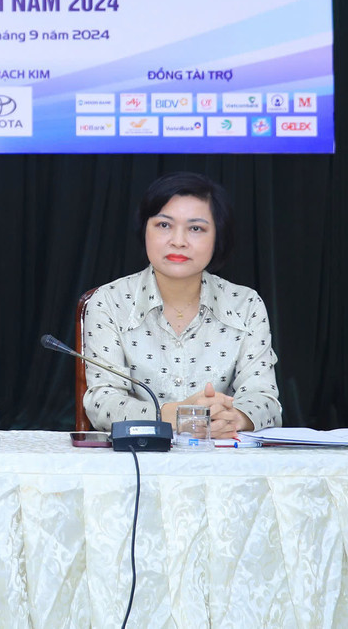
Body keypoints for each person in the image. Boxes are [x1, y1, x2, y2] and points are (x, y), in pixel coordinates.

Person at [82, 171, 281, 438]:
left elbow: (265, 400)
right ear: (144, 229)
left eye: (196, 228)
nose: (178, 241)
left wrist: (234, 418)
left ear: (218, 237)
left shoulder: (245, 305)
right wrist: (176, 416)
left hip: (222, 454)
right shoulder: (109, 301)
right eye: (164, 225)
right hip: (140, 455)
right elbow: (102, 403)